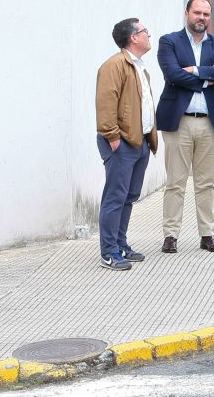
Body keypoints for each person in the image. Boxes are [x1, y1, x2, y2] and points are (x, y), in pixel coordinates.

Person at [156, 0, 214, 255]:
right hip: (179, 122)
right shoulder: (169, 41)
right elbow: (172, 74)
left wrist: (194, 70)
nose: (202, 18)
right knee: (175, 182)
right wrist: (207, 75)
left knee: (206, 182)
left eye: (206, 14)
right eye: (197, 12)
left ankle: (207, 234)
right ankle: (170, 235)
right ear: (187, 13)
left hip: (209, 123)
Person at [95, 18, 158, 271]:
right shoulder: (114, 65)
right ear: (133, 37)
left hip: (139, 141)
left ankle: (120, 244)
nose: (148, 35)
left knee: (129, 197)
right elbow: (106, 103)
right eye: (145, 31)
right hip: (121, 144)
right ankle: (108, 252)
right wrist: (112, 137)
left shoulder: (139, 66)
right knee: (115, 197)